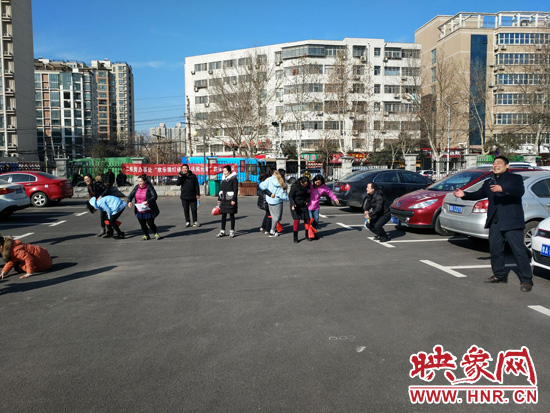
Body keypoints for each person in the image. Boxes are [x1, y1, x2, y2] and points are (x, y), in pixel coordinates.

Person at [453, 155, 533, 292]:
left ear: (507, 166)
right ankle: (499, 275)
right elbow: (478, 194)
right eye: (494, 163)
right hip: (495, 221)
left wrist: (503, 189)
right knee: (495, 249)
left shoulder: (515, 178)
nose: (496, 165)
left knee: (518, 251)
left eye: (499, 163)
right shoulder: (489, 181)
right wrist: (464, 194)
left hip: (511, 220)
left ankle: (526, 280)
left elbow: (519, 192)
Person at [127, 174, 161, 240]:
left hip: (148, 209)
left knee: (150, 223)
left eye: (141, 181)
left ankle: (155, 233)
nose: (139, 183)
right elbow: (130, 195)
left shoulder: (149, 187)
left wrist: (147, 201)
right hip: (139, 209)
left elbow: (154, 196)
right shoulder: (136, 187)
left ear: (145, 181)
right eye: (138, 181)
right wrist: (129, 201)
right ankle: (146, 235)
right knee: (142, 224)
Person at [308, 174, 339, 240]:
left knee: (316, 220)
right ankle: (309, 234)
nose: (317, 184)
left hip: (316, 206)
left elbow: (330, 193)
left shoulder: (323, 187)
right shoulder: (310, 186)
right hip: (308, 206)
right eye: (316, 182)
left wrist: (335, 199)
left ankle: (314, 232)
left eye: (319, 182)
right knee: (310, 220)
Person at [259, 170, 289, 237]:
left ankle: (268, 229)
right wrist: (287, 198)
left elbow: (261, 186)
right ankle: (272, 231)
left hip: (270, 200)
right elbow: (281, 193)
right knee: (276, 217)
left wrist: (269, 193)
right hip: (277, 201)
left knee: (271, 215)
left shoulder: (269, 179)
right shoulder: (280, 181)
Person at [216, 165, 238, 238]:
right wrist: (219, 199)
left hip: (230, 199)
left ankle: (232, 231)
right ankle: (222, 231)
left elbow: (235, 190)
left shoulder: (234, 179)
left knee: (231, 215)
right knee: (223, 215)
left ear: (229, 171)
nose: (224, 172)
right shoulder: (224, 179)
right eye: (223, 171)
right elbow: (221, 190)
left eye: (225, 171)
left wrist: (233, 200)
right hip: (224, 200)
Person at [289, 176, 311, 243]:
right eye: (304, 184)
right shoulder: (295, 186)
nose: (305, 185)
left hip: (303, 204)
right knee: (296, 220)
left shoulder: (308, 186)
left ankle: (307, 234)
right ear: (301, 182)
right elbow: (290, 196)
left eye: (306, 184)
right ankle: (295, 237)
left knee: (307, 219)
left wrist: (307, 200)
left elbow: (308, 195)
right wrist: (293, 204)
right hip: (295, 205)